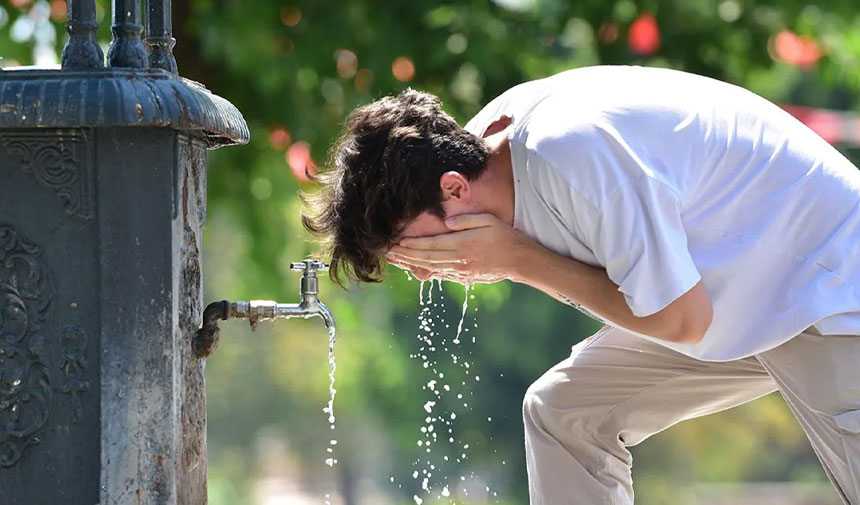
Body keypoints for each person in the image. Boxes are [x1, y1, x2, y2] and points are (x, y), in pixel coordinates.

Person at [302, 65, 860, 504]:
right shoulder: (483, 161)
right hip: (720, 294)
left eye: (411, 247)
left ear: (452, 189)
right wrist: (517, 256)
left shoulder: (571, 156)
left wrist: (520, 260)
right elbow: (676, 309)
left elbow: (684, 322)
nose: (421, 270)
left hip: (823, 281)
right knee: (564, 414)